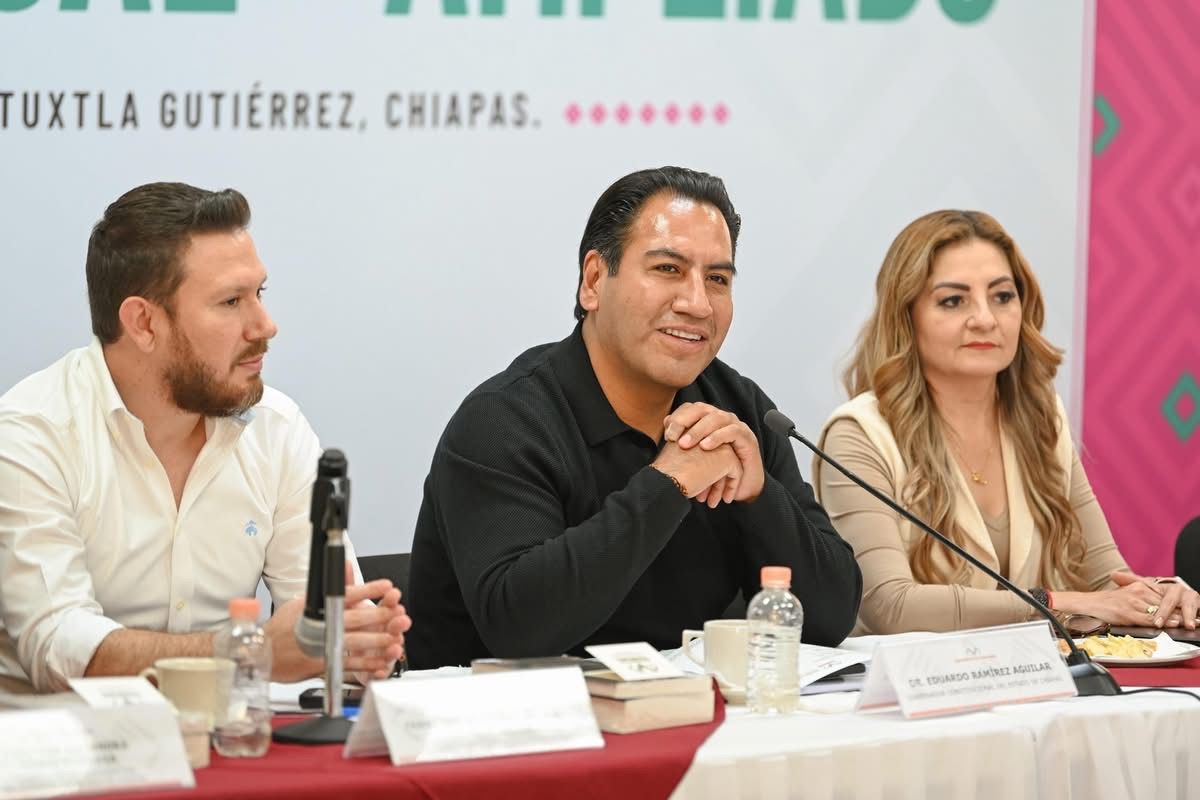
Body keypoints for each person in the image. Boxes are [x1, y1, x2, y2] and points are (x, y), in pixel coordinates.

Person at [406, 166, 862, 668]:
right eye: (668, 269)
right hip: (505, 713)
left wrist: (760, 498)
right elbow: (521, 630)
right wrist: (668, 484)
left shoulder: (738, 412)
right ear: (594, 281)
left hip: (681, 706)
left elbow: (830, 619)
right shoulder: (503, 422)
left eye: (717, 279)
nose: (697, 304)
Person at [0, 182, 410, 693]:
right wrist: (248, 652)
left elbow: (329, 622)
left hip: (233, 730)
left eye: (259, 293)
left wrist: (357, 646)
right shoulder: (31, 435)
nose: (265, 325)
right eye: (231, 301)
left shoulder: (275, 428)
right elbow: (58, 649)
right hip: (66, 738)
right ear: (143, 323)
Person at [816, 209, 1200, 635]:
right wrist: (1055, 603)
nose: (986, 319)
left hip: (1026, 674)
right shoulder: (859, 435)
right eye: (953, 300)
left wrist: (1160, 597)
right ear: (906, 316)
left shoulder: (1041, 418)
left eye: (1002, 296)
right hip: (902, 676)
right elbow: (889, 605)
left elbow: (1107, 581)